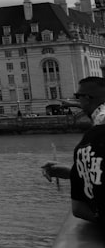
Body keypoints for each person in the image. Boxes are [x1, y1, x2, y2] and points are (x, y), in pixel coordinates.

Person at [42, 76, 105, 223]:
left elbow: (79, 209)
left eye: (77, 97)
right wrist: (74, 174)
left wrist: (78, 174)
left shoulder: (91, 140)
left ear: (87, 99)